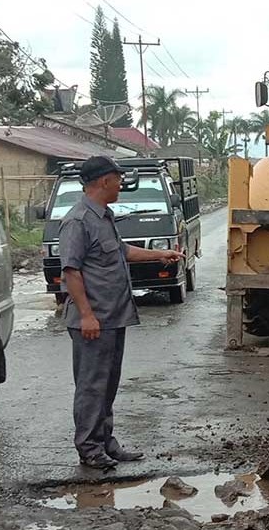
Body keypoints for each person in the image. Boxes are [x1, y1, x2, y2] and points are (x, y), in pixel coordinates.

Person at [60, 156, 185, 470]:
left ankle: (105, 443)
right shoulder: (77, 220)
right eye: (118, 178)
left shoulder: (104, 216)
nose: (121, 184)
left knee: (108, 384)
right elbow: (71, 272)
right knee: (91, 385)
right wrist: (87, 315)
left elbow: (122, 251)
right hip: (94, 319)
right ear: (104, 181)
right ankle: (89, 449)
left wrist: (160, 254)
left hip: (113, 317)